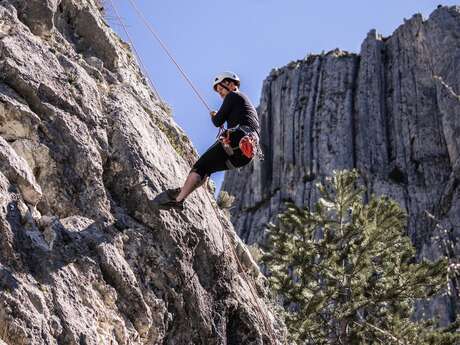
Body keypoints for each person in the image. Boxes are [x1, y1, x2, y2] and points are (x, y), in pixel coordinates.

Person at [156, 71, 261, 210]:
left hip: (238, 138)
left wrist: (214, 115)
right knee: (207, 169)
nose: (221, 93)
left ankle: (178, 199)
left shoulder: (233, 95)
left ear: (230, 84)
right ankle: (182, 194)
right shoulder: (245, 103)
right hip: (245, 155)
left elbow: (217, 121)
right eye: (218, 92)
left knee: (200, 166)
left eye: (221, 89)